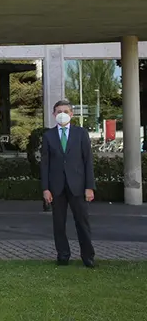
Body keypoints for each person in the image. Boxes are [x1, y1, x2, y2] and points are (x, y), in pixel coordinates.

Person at [41, 100, 96, 268]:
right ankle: (63, 255)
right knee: (59, 223)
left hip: (78, 186)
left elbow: (88, 161)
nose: (62, 114)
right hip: (56, 187)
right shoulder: (48, 136)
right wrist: (45, 188)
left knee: (82, 223)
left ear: (72, 114)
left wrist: (89, 186)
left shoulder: (81, 133)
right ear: (53, 115)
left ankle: (88, 257)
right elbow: (45, 164)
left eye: (65, 111)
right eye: (58, 111)